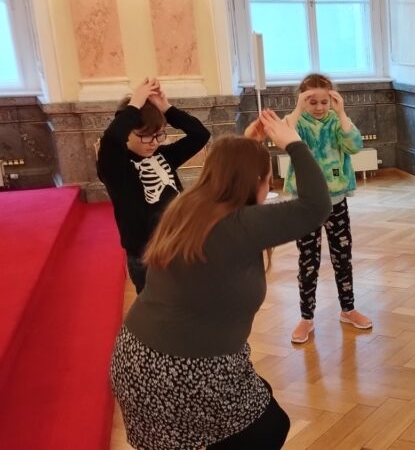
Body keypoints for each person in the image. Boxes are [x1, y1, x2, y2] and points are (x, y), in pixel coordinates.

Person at [109, 110, 331, 449]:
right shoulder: (241, 224)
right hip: (183, 372)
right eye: (266, 179)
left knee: (256, 412)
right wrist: (294, 143)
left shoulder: (186, 207)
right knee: (270, 427)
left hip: (135, 358)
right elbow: (316, 206)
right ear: (257, 182)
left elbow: (220, 179)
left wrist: (245, 147)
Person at [96, 77, 211, 293]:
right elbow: (111, 140)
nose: (154, 143)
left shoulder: (164, 155)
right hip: (147, 256)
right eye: (145, 136)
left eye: (158, 135)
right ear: (127, 133)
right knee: (156, 307)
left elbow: (200, 134)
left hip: (180, 245)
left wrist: (166, 108)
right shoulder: (116, 168)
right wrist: (134, 105)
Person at [286, 73, 370, 344]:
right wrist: (298, 109)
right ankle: (306, 318)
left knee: (342, 257)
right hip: (306, 205)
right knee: (308, 261)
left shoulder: (336, 121)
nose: (319, 107)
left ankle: (348, 309)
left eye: (324, 102)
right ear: (303, 101)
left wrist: (341, 112)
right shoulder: (299, 123)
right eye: (312, 102)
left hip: (336, 202)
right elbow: (283, 136)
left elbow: (354, 145)